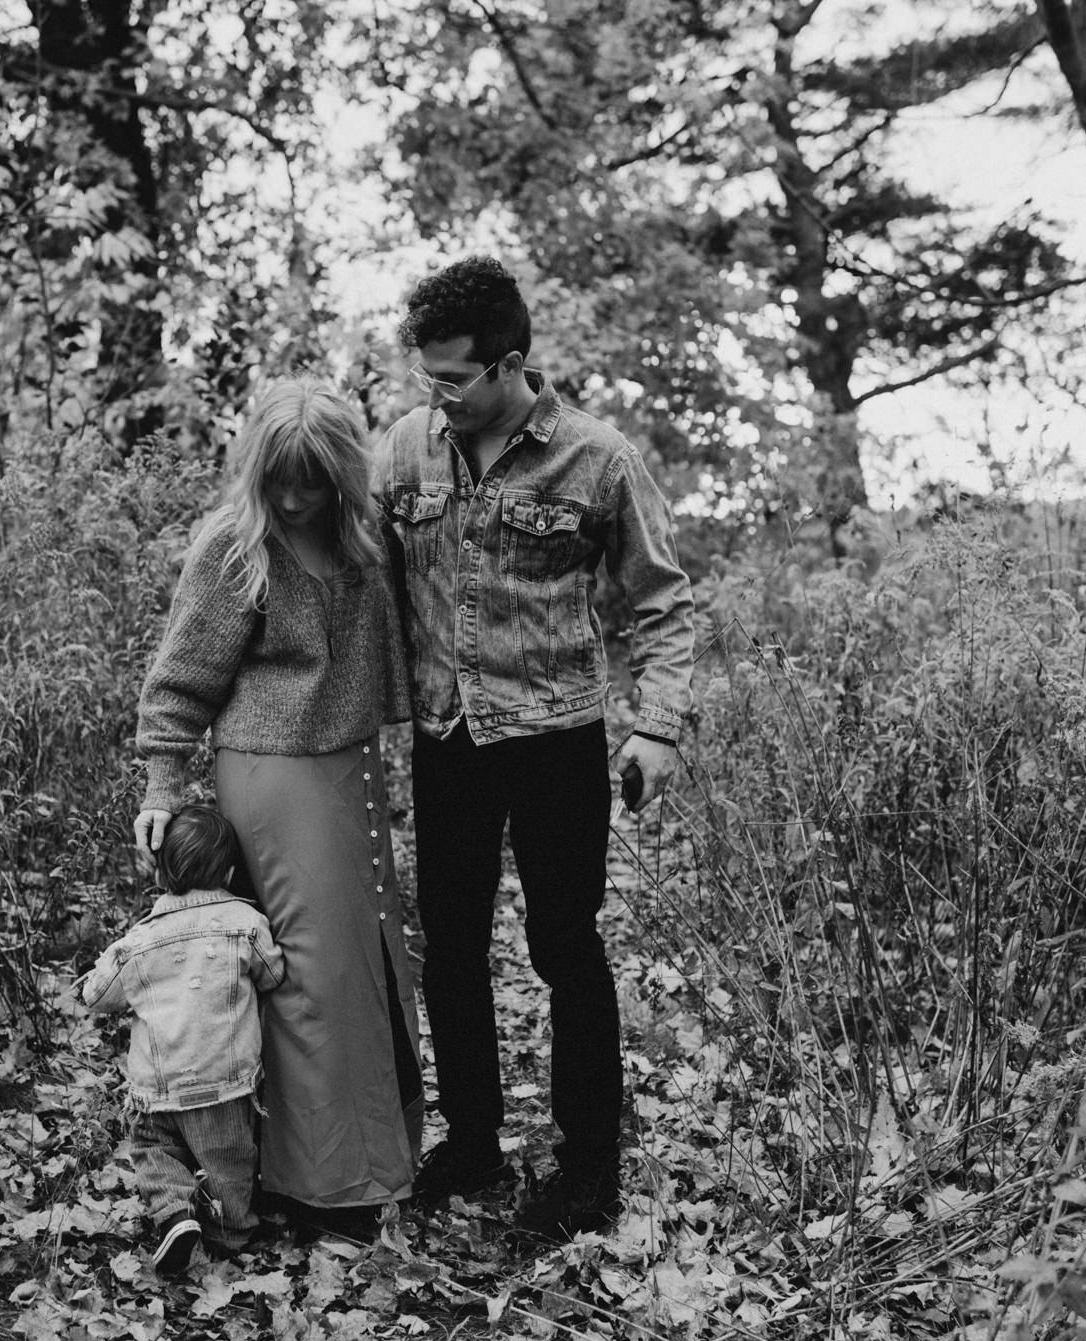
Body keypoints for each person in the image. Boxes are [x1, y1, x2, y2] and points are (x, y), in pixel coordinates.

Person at [378, 255, 696, 1240]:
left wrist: (655, 725)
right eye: (423, 377)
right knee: (451, 947)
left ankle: (586, 1167)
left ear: (508, 363)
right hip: (447, 736)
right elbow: (366, 584)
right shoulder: (401, 452)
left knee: (564, 945)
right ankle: (470, 1139)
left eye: (450, 378)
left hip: (556, 734)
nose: (433, 395)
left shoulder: (596, 459)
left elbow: (661, 599)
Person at [133, 377, 424, 1244]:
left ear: (343, 473)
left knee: (371, 965)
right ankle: (316, 1184)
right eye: (280, 480)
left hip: (350, 771)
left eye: (313, 480)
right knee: (308, 974)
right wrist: (160, 782)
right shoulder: (235, 546)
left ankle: (367, 1162)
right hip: (271, 775)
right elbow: (180, 678)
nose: (294, 497)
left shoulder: (368, 539)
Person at [80, 805, 286, 1273]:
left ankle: (174, 1212)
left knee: (152, 1149)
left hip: (158, 1085)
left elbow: (97, 995)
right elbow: (272, 973)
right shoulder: (245, 923)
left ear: (161, 873)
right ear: (231, 871)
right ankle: (231, 1233)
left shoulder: (140, 940)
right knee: (229, 1158)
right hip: (224, 1080)